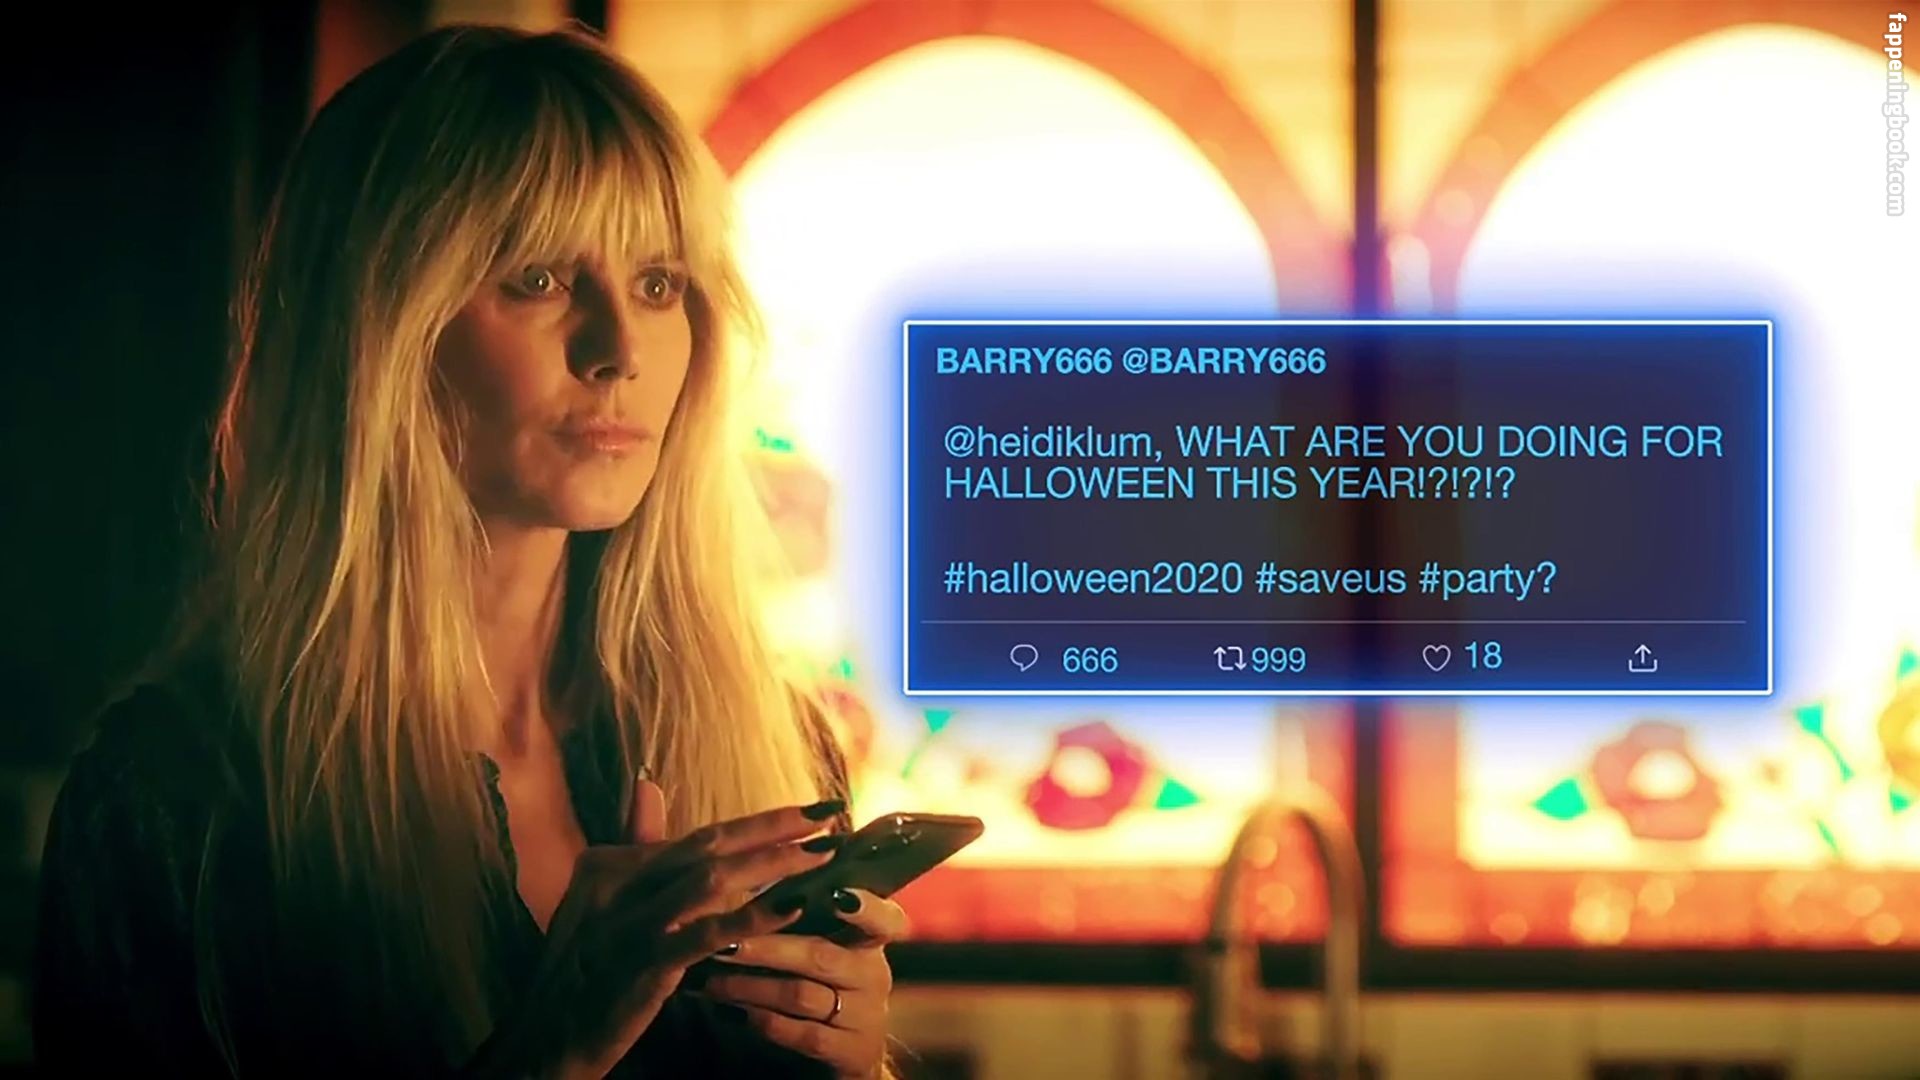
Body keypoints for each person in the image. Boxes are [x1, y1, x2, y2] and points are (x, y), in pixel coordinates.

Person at [31, 23, 903, 1079]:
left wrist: (854, 1065)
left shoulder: (774, 751)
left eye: (659, 284)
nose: (619, 350)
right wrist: (554, 1046)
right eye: (537, 278)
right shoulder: (183, 806)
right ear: (380, 326)